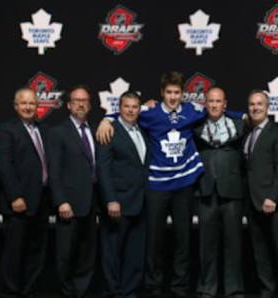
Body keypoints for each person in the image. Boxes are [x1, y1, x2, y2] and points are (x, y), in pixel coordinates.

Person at [97, 71, 244, 298]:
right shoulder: (150, 112)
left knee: (183, 240)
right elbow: (127, 112)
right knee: (154, 242)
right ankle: (154, 286)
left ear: (182, 94)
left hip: (183, 185)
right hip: (156, 186)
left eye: (177, 92)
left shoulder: (191, 110)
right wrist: (107, 118)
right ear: (162, 93)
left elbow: (218, 111)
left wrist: (246, 118)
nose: (173, 97)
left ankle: (179, 287)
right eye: (169, 92)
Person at [0, 88, 50, 298]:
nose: (28, 107)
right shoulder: (7, 130)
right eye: (24, 103)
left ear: (38, 107)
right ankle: (12, 292)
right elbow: (5, 166)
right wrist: (15, 196)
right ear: (16, 106)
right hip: (19, 202)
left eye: (32, 104)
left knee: (36, 252)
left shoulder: (43, 130)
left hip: (42, 201)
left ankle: (30, 291)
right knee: (14, 253)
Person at [97, 91, 150, 298]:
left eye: (135, 107)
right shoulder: (108, 130)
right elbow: (103, 169)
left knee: (135, 253)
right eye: (126, 106)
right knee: (112, 253)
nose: (130, 110)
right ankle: (112, 291)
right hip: (117, 203)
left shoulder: (143, 130)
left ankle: (129, 292)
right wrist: (111, 199)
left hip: (140, 202)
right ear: (119, 108)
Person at [194, 87, 246, 298]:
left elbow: (262, 131)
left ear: (225, 105)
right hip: (206, 191)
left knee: (233, 244)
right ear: (205, 104)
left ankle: (234, 289)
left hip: (232, 192)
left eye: (218, 102)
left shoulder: (240, 125)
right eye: (211, 101)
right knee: (206, 244)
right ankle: (207, 288)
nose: (214, 105)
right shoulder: (195, 127)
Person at [244, 90, 278, 298]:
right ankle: (268, 290)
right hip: (254, 203)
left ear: (268, 107)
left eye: (259, 104)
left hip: (276, 204)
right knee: (260, 252)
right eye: (251, 104)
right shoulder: (248, 133)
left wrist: (272, 197)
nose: (255, 107)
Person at [48, 85, 98, 298]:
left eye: (85, 100)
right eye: (76, 100)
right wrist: (61, 201)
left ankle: (81, 291)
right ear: (68, 105)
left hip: (92, 203)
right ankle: (66, 293)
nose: (81, 104)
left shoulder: (97, 130)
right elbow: (54, 170)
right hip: (69, 203)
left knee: (87, 254)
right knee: (66, 254)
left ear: (90, 105)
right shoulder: (58, 132)